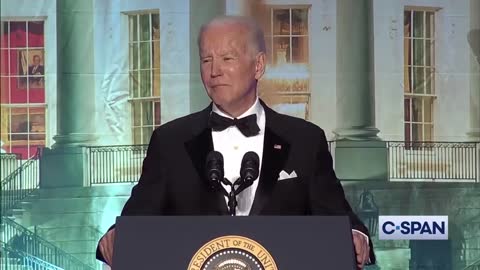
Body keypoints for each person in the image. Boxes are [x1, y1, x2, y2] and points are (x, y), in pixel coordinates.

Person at [97, 16, 375, 269]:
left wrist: (356, 235)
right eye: (206, 60)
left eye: (227, 58)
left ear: (258, 65)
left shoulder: (305, 140)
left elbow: (337, 216)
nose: (214, 71)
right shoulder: (170, 141)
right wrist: (115, 237)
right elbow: (138, 219)